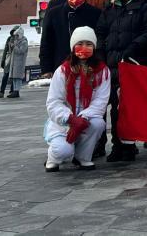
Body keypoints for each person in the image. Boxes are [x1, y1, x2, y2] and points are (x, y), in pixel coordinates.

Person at [96, 0, 147, 162]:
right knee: (114, 107)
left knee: (127, 109)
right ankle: (117, 145)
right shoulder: (110, 8)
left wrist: (134, 47)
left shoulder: (146, 8)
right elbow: (100, 31)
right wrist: (101, 51)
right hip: (112, 64)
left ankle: (129, 146)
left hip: (133, 64)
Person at [43, 26, 109, 172]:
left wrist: (83, 117)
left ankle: (82, 157)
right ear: (73, 47)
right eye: (80, 44)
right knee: (63, 151)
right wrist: (70, 118)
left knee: (98, 124)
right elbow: (54, 102)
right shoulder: (62, 71)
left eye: (89, 44)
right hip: (65, 122)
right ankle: (53, 158)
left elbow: (100, 101)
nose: (84, 48)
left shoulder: (102, 71)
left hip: (86, 119)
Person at [39, 0, 102, 78]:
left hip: (88, 67)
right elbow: (46, 42)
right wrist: (46, 68)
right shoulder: (54, 13)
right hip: (60, 66)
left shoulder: (96, 13)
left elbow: (99, 40)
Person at [0, 26, 18, 98]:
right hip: (9, 60)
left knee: (14, 77)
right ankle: (1, 92)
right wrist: (3, 60)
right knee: (5, 75)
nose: (14, 33)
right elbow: (5, 50)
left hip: (16, 60)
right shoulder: (9, 38)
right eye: (13, 31)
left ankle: (13, 91)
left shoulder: (21, 39)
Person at [6, 27, 28, 99]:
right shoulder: (16, 41)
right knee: (14, 77)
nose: (16, 37)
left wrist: (14, 47)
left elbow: (21, 51)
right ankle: (15, 91)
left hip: (19, 62)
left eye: (17, 35)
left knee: (18, 78)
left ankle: (17, 91)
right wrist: (11, 46)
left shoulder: (24, 42)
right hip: (14, 62)